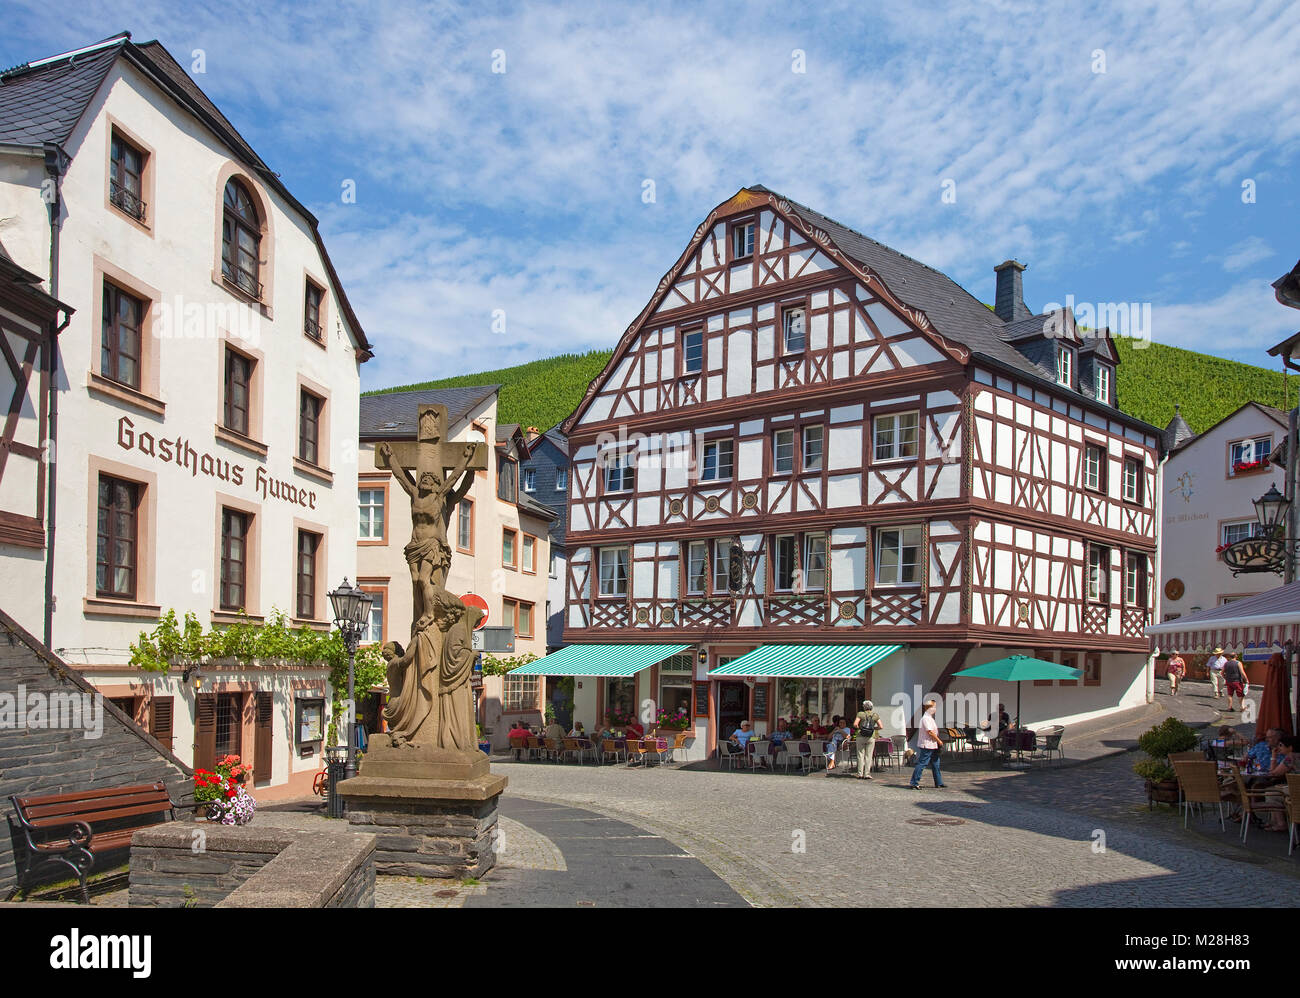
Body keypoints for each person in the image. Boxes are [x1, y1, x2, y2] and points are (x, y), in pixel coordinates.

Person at [908, 699, 947, 789]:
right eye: (934, 707)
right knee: (922, 763)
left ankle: (938, 782)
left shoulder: (930, 718)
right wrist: (939, 740)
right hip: (927, 744)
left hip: (933, 745)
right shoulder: (925, 719)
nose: (935, 709)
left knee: (936, 763)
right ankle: (914, 782)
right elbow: (930, 732)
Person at [854, 700, 882, 780]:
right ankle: (867, 774)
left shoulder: (860, 714)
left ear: (864, 707)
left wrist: (860, 728)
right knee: (868, 756)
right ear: (871, 707)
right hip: (871, 736)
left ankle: (860, 773)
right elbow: (881, 726)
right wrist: (874, 728)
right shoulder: (875, 715)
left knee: (860, 755)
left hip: (860, 736)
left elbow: (855, 724)